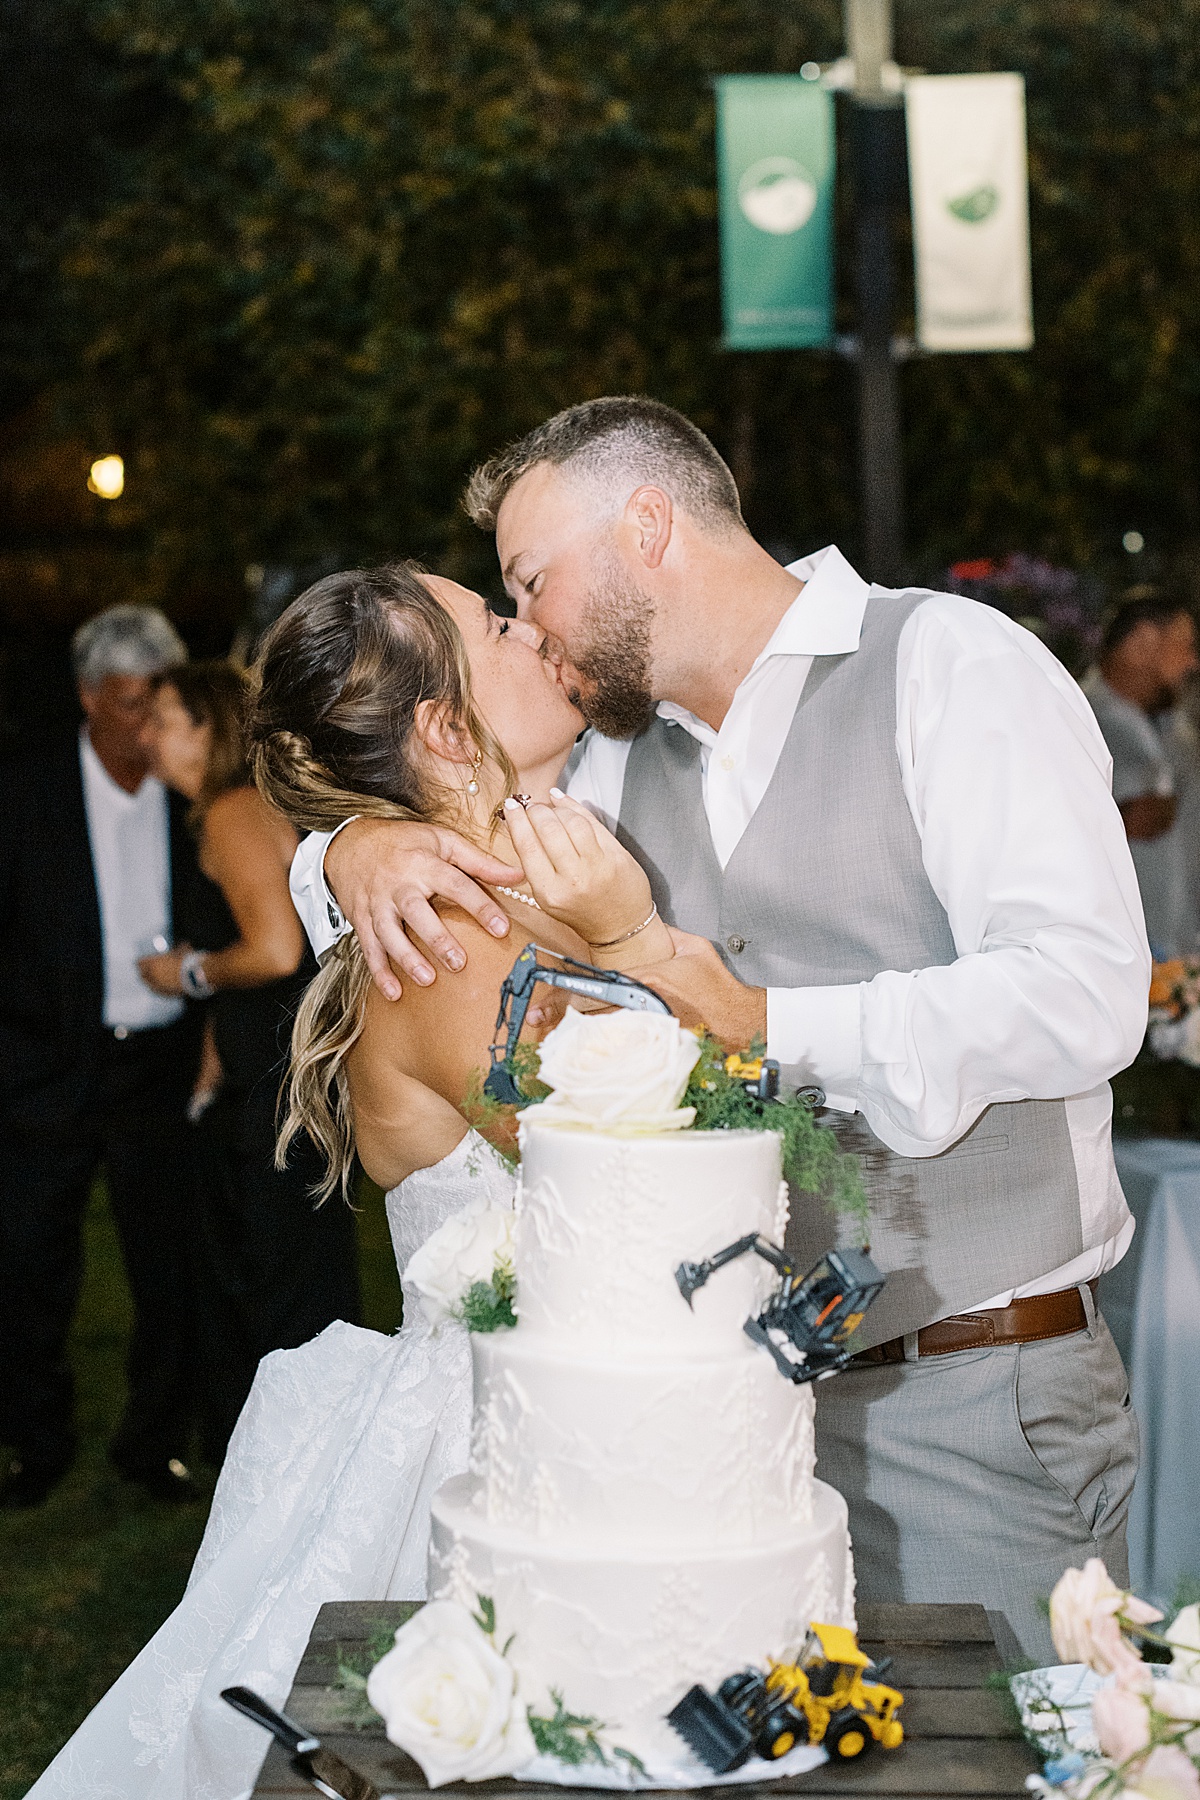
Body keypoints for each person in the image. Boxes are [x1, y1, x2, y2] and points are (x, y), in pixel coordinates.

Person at [293, 397, 1150, 1661]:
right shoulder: (609, 762)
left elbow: (1085, 990)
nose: (527, 626)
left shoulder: (951, 664)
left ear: (648, 527)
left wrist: (765, 1020)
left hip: (973, 1399)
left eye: (531, 582)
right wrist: (351, 847)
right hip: (724, 1455)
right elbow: (408, 778)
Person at [25, 562, 671, 1799]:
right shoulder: (451, 947)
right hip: (517, 1448)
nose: (535, 627)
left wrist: (360, 838)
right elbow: (648, 1183)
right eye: (496, 622)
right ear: (439, 725)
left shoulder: (504, 880)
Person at [0, 604, 204, 1508]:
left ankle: (152, 1442)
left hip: (158, 1067)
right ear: (87, 699)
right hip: (46, 1065)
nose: (146, 726)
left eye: (159, 704)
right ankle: (34, 1443)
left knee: (168, 1266)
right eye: (128, 705)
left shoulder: (195, 791)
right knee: (29, 1265)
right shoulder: (24, 793)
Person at [136, 661, 362, 1462]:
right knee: (292, 1280)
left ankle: (288, 1469)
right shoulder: (242, 810)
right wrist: (207, 1066)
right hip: (281, 1078)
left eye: (164, 719)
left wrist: (188, 971)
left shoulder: (233, 812)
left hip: (279, 1088)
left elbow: (272, 951)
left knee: (279, 1291)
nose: (146, 736)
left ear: (210, 730)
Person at [1081, 592, 1200, 958]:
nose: (1192, 662)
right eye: (1185, 646)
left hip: (1185, 955)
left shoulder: (1177, 730)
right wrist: (1116, 821)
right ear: (1145, 642)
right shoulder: (1075, 721)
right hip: (1113, 962)